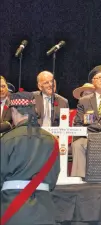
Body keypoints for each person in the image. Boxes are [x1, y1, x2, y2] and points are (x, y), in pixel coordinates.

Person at [0, 91, 60, 225]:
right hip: (44, 210)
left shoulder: (7, 139)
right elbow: (52, 180)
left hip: (13, 209)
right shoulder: (53, 141)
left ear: (14, 111)